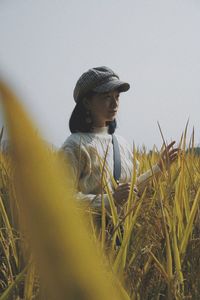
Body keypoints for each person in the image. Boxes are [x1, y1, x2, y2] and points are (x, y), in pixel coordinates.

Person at [61, 66, 179, 211]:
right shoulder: (74, 145)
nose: (115, 103)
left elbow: (131, 190)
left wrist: (159, 168)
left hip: (121, 233)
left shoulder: (121, 143)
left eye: (117, 96)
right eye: (107, 97)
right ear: (86, 102)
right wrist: (111, 200)